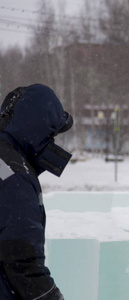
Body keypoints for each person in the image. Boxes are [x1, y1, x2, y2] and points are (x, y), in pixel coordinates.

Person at [0, 84, 73, 299]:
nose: (53, 142)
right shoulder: (15, 176)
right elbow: (21, 259)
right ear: (39, 129)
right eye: (51, 134)